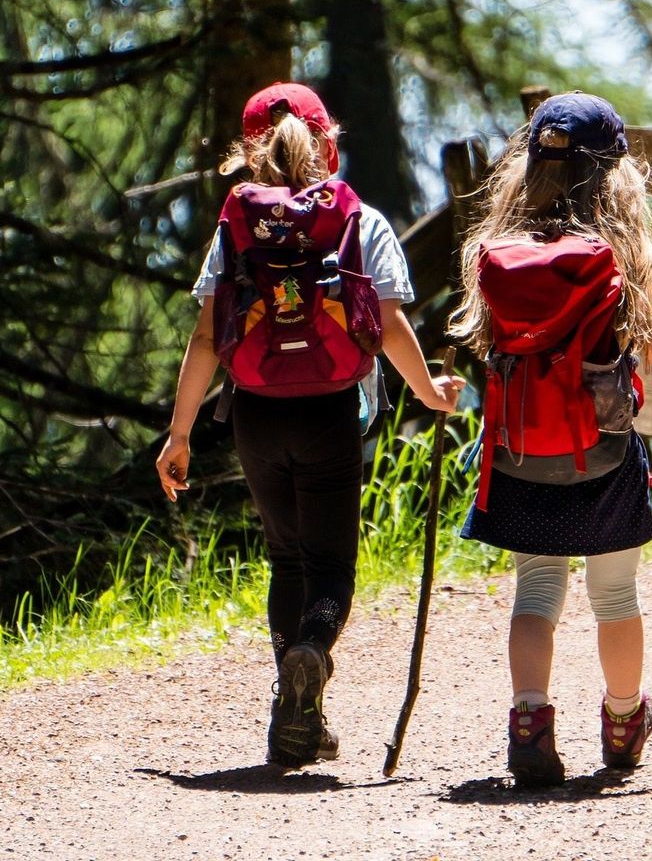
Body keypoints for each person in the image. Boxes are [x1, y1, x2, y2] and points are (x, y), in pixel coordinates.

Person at [155, 82, 464, 769]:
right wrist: (430, 393)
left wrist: (179, 435)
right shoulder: (358, 220)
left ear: (248, 152)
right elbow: (385, 325)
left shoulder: (234, 229)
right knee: (332, 569)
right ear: (328, 143)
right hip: (331, 411)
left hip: (256, 413)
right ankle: (311, 655)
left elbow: (208, 337)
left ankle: (294, 714)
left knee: (286, 557)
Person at [448, 91, 652, 786]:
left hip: (517, 458)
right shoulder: (614, 253)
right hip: (599, 457)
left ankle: (529, 719)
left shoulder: (494, 251)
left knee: (536, 593)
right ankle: (626, 719)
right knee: (615, 595)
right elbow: (648, 339)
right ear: (615, 175)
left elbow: (483, 345)